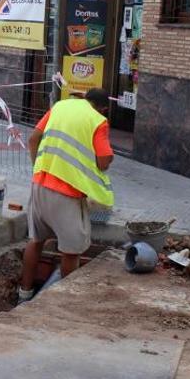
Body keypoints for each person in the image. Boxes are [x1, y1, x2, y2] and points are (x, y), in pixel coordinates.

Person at [18, 87, 115, 302]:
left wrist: (38, 169)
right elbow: (103, 161)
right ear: (102, 108)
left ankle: (24, 294)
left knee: (35, 240)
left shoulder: (59, 107)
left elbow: (33, 140)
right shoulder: (98, 120)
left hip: (39, 185)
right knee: (71, 251)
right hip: (67, 193)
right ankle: (63, 303)